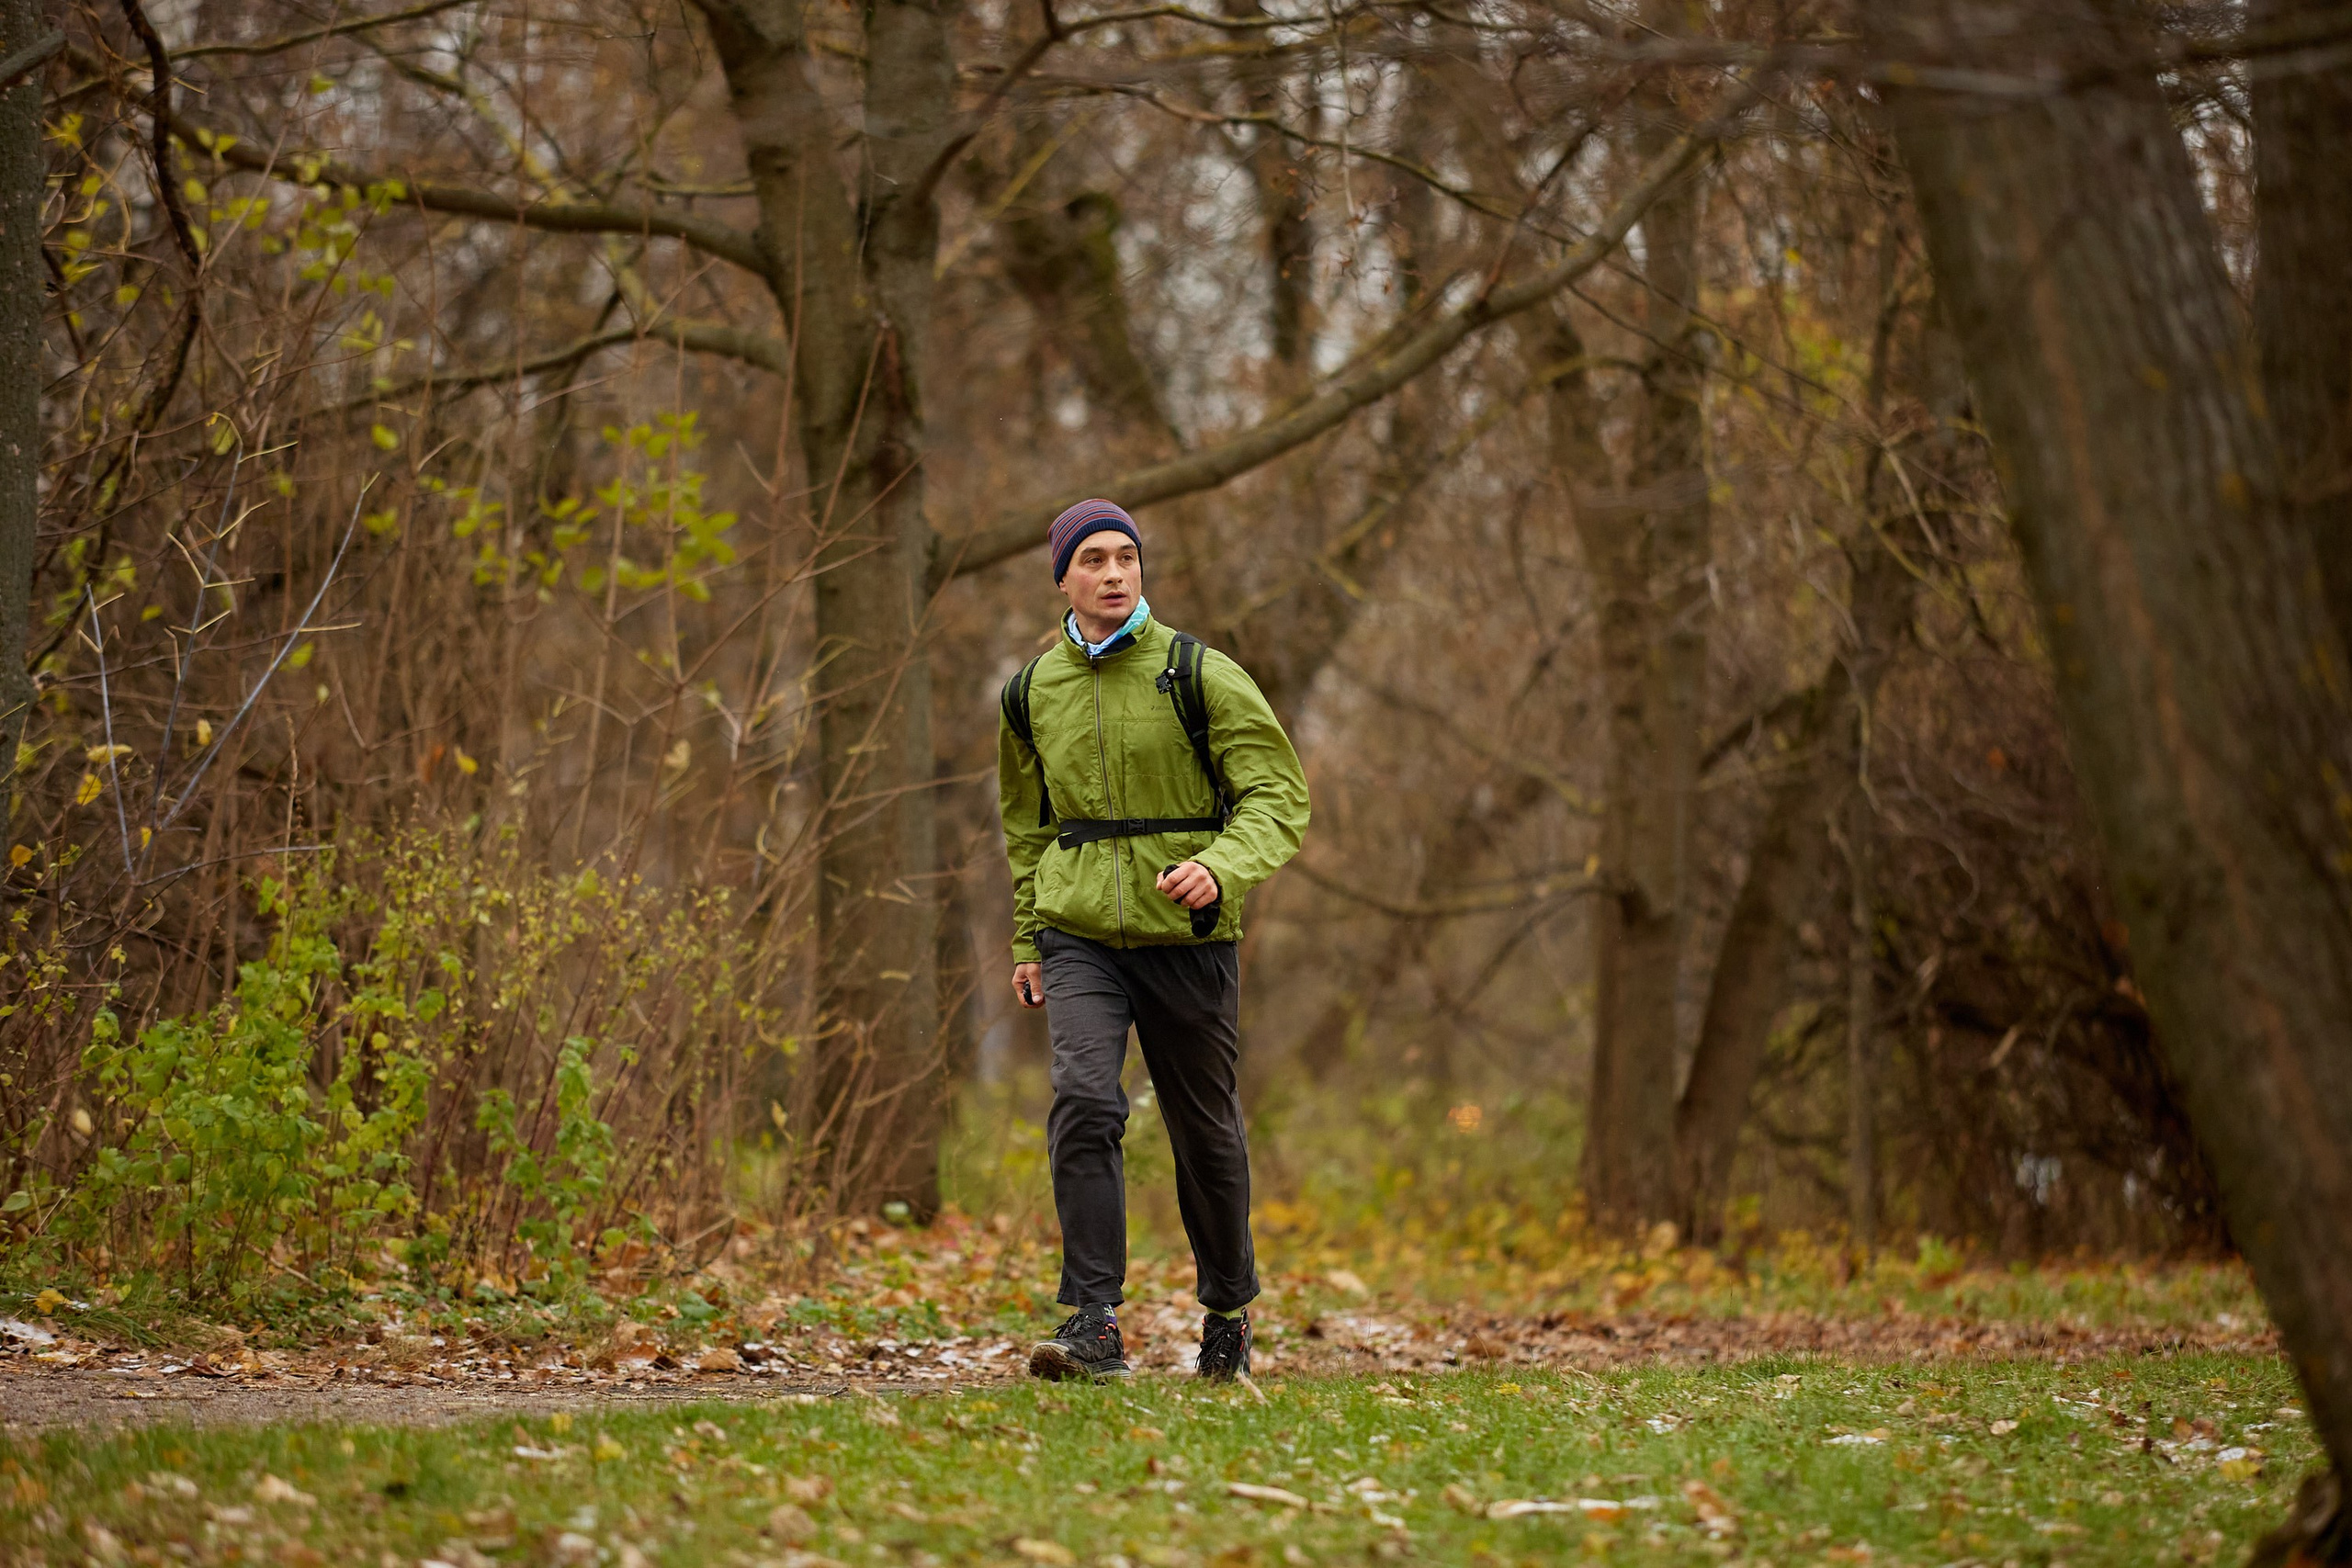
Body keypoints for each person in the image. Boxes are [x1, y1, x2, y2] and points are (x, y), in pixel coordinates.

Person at [998, 499, 1311, 1382]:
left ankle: (1228, 1313)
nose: (1113, 573)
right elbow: (1028, 827)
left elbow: (1278, 799)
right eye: (1092, 559)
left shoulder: (1198, 672)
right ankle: (1093, 1322)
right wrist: (1029, 936)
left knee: (1203, 1129)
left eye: (1126, 556)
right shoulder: (1029, 693)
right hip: (1078, 931)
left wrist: (1221, 865)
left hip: (1189, 930)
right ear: (1063, 577)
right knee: (1087, 1102)